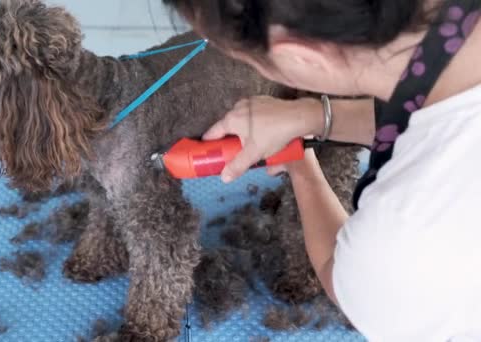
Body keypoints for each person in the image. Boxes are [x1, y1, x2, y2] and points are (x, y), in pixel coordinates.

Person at [163, 0, 481, 340]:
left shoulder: (401, 242)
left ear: (300, 57)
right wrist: (313, 116)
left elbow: (340, 270)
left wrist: (301, 167)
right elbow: (437, 119)